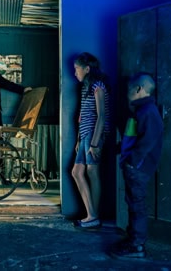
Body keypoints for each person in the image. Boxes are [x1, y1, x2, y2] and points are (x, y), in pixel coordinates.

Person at [109, 72, 163, 259]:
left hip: (137, 169)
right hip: (133, 167)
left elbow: (146, 143)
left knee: (137, 205)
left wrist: (132, 163)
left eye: (128, 90)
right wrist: (120, 151)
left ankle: (137, 246)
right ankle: (133, 240)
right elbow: (131, 140)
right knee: (133, 204)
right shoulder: (140, 111)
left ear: (139, 90)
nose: (126, 94)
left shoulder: (148, 112)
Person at [71, 52, 110, 229]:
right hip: (85, 135)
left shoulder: (98, 86)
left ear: (87, 69)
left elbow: (101, 117)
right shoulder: (85, 87)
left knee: (92, 172)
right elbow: (83, 116)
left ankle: (93, 217)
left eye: (77, 69)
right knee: (77, 172)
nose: (75, 73)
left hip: (94, 136)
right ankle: (92, 215)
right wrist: (80, 138)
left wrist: (94, 143)